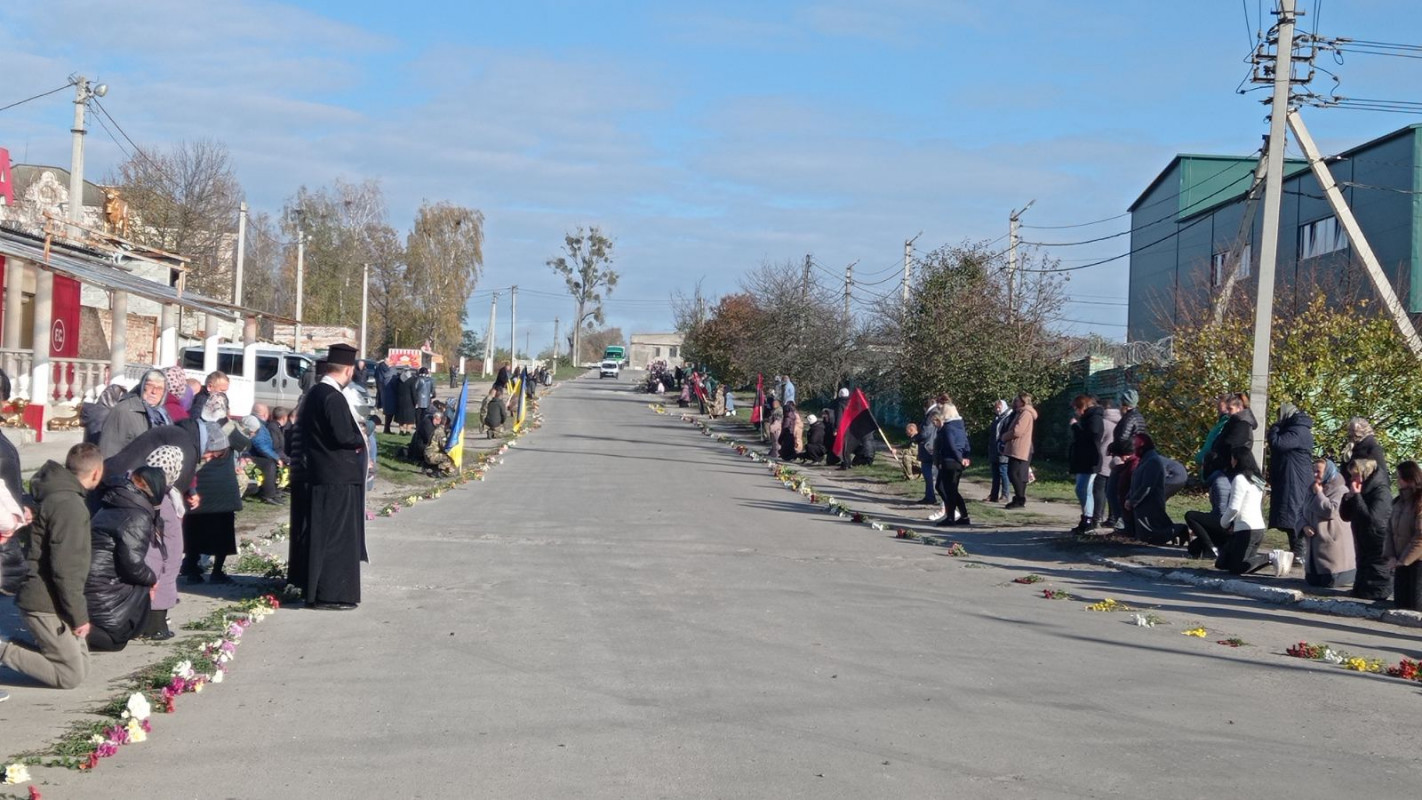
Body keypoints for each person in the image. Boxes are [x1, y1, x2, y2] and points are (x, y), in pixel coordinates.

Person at [1, 444, 104, 690]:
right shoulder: (70, 506)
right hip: (43, 600)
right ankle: (4, 651)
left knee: (83, 666)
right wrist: (79, 617)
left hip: (52, 597)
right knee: (70, 676)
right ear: (96, 473)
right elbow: (66, 569)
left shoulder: (60, 495)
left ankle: (28, 647)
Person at [291, 344, 368, 610]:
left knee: (325, 535)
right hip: (336, 476)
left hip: (323, 473)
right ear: (348, 370)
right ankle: (331, 594)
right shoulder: (332, 397)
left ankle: (321, 590)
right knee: (337, 539)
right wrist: (362, 434)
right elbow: (342, 436)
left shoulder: (316, 392)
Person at [85, 466, 165, 652]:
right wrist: (152, 580)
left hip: (93, 577)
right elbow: (132, 563)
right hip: (100, 583)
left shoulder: (116, 502)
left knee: (117, 637)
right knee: (116, 639)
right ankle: (67, 632)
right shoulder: (137, 515)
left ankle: (75, 629)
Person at [180, 396, 248, 585]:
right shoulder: (227, 426)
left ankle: (191, 569)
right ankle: (217, 571)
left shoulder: (196, 424)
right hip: (223, 488)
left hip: (200, 484)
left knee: (194, 529)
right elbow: (244, 444)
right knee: (222, 531)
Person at [1342, 454, 1395, 600]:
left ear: (1365, 474)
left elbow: (1371, 519)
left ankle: (1377, 593)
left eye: (1355, 476)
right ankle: (1360, 590)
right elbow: (1346, 516)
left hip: (1377, 538)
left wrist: (1357, 497)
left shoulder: (1381, 491)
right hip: (1362, 537)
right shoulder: (1362, 490)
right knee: (1362, 563)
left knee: (1375, 567)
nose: (1352, 480)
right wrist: (1348, 498)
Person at [1267, 402, 1315, 562]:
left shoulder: (1297, 431)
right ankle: (1297, 552)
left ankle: (1299, 552)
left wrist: (1274, 427)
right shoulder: (1297, 429)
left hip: (1295, 481)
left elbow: (1278, 444)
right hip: (1291, 479)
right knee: (1290, 516)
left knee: (1293, 516)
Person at [1300, 458, 1356, 588]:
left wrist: (1319, 494)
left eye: (1318, 472)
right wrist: (1303, 525)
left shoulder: (1341, 490)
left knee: (1328, 581)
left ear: (1328, 472)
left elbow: (1331, 511)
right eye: (1313, 471)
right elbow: (1301, 510)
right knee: (1312, 581)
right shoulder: (1312, 488)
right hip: (1314, 545)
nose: (1315, 475)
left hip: (1331, 544)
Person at [1123, 434, 1186, 545]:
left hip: (1150, 502)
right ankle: (1175, 532)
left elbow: (1147, 486)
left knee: (1151, 534)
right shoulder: (1145, 459)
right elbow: (1136, 482)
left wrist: (1133, 501)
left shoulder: (1152, 461)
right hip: (1143, 502)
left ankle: (1178, 530)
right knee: (1147, 534)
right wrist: (1129, 497)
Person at [1215, 448, 1270, 574]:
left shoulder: (1239, 479)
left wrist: (1224, 523)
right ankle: (1268, 559)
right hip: (1258, 528)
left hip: (1245, 529)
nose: (1231, 461)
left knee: (1237, 567)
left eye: (1233, 458)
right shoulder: (1257, 479)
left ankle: (1272, 557)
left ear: (1237, 460)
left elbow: (1234, 507)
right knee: (1224, 563)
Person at [1203, 393, 1256, 514]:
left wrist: (1214, 460)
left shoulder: (1241, 425)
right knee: (1220, 510)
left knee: (1222, 512)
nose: (1227, 412)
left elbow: (1232, 448)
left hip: (1227, 473)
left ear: (1240, 408)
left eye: (1230, 409)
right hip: (1224, 471)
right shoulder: (1234, 423)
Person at [99, 370, 171, 458]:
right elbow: (108, 450)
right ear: (142, 386)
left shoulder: (163, 415)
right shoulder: (124, 410)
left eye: (159, 388)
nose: (154, 392)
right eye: (150, 385)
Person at [1105, 389, 1146, 529]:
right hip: (1135, 457)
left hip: (1125, 459)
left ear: (1124, 404)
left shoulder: (1128, 418)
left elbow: (1123, 440)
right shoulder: (1139, 417)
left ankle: (1121, 522)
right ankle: (1125, 523)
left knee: (1113, 491)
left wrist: (1112, 447)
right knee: (1123, 490)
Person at [1386, 462, 1422, 610]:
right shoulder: (1399, 502)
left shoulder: (1419, 502)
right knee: (1400, 604)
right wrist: (1391, 556)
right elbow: (1389, 530)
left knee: (1416, 606)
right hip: (1399, 561)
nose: (1397, 480)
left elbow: (1420, 536)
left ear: (1409, 478)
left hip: (1417, 562)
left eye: (1399, 477)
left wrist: (1404, 560)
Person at [1068, 395, 1105, 534]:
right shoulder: (1088, 418)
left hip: (1090, 461)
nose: (1076, 411)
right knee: (1082, 489)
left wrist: (1075, 426)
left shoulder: (1094, 418)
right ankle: (1086, 518)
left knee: (1083, 489)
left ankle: (1088, 519)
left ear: (1083, 406)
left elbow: (1091, 436)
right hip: (1084, 459)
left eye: (1077, 408)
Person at [934, 406, 971, 526]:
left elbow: (950, 445)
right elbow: (966, 444)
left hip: (950, 461)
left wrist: (960, 458)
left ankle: (950, 517)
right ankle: (964, 516)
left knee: (947, 489)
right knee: (952, 489)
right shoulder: (960, 427)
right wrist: (965, 457)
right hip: (959, 462)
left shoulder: (948, 427)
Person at [999, 393, 1036, 509]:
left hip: (1021, 448)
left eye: (1017, 401)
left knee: (1015, 473)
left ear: (1023, 402)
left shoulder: (1025, 414)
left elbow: (1018, 431)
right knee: (1018, 474)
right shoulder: (1020, 413)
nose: (1015, 403)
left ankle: (1020, 499)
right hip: (1018, 447)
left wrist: (1004, 437)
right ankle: (1019, 498)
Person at [243, 412, 285, 506]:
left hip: (247, 456)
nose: (254, 433)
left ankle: (271, 493)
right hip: (244, 457)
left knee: (270, 464)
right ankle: (269, 495)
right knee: (270, 464)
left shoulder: (256, 426)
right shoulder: (252, 427)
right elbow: (261, 444)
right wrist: (276, 458)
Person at [1342, 417, 1389, 489]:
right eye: (1350, 430)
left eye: (1354, 431)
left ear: (1363, 431)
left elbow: (1381, 475)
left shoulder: (1373, 449)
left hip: (1366, 493)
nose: (1350, 434)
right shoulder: (1350, 449)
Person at [1096, 399, 1121, 529]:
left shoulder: (1103, 422)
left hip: (1103, 459)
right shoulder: (1121, 421)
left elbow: (1097, 440)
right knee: (1113, 491)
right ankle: (1113, 517)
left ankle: (1098, 516)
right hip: (1117, 460)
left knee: (1100, 490)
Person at [909, 406, 939, 505]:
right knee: (932, 475)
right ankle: (930, 496)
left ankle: (930, 497)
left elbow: (925, 434)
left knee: (928, 475)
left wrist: (914, 438)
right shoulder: (937, 413)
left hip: (928, 449)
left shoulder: (930, 416)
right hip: (933, 448)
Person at [987, 399, 1012, 503]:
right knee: (995, 474)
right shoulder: (997, 418)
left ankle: (1005, 495)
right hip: (994, 449)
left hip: (1002, 450)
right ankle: (994, 495)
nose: (997, 409)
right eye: (996, 407)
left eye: (999, 407)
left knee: (1003, 472)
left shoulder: (1007, 418)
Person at [422, 409, 455, 477]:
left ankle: (429, 466)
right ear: (446, 424)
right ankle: (439, 472)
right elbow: (444, 447)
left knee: (444, 456)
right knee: (448, 458)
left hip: (428, 453)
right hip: (431, 455)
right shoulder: (440, 432)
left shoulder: (438, 429)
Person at [394, 369, 418, 434]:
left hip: (400, 400)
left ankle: (401, 430)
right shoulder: (411, 380)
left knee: (401, 416)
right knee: (409, 417)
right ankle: (408, 431)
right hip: (409, 401)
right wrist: (416, 401)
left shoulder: (398, 380)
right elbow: (413, 392)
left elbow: (395, 390)